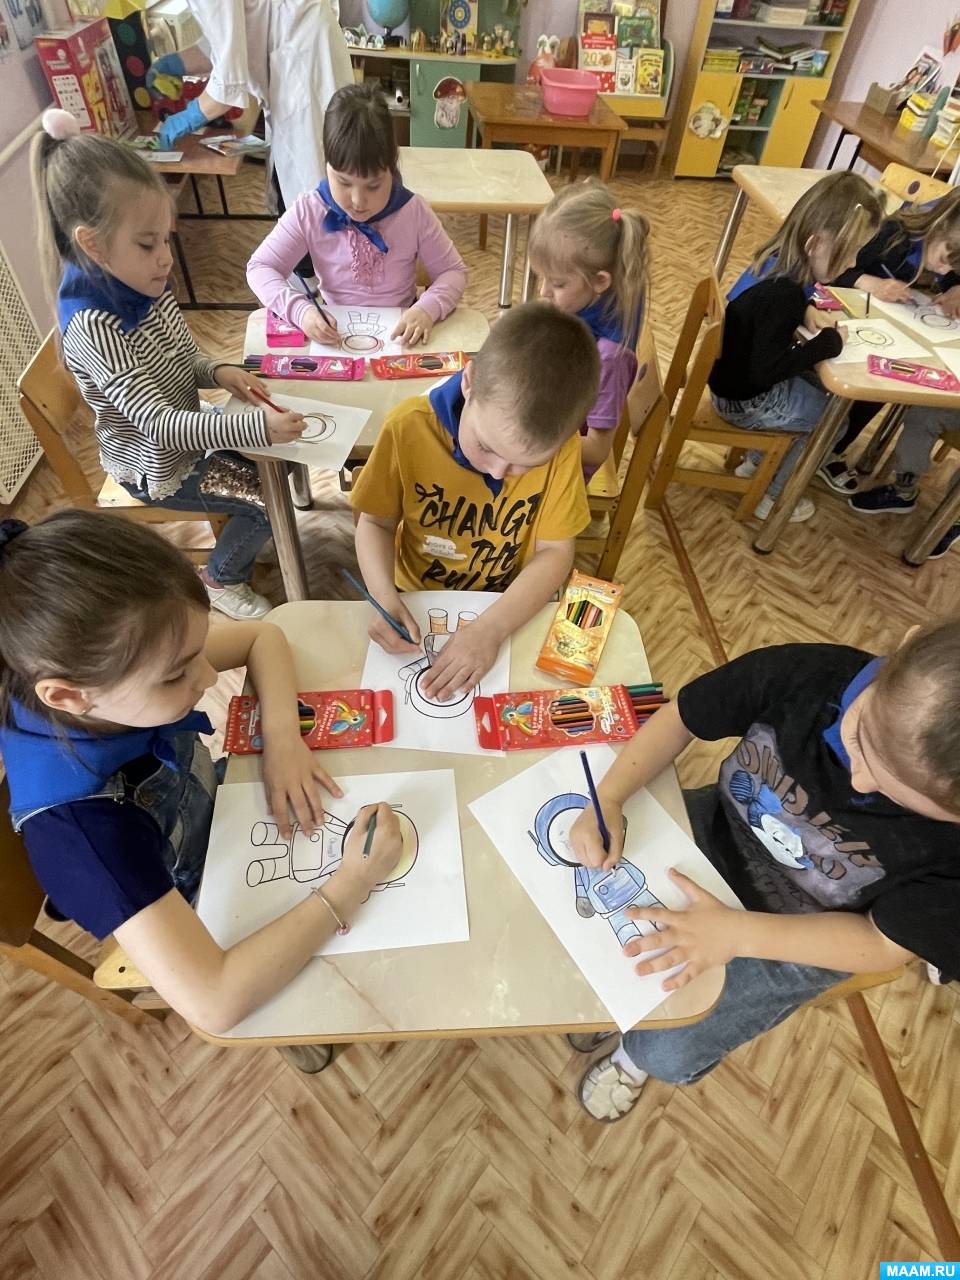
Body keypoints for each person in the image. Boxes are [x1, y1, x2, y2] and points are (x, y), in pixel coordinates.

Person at [0, 512, 402, 1036]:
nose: (209, 677)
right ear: (69, 696)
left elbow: (262, 637)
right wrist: (352, 884)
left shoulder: (116, 670)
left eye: (199, 650)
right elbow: (215, 1003)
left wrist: (283, 738)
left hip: (225, 813)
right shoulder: (85, 837)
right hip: (200, 911)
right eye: (177, 675)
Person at [565, 621, 960, 1122]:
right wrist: (610, 796)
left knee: (667, 1051)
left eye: (895, 794)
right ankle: (616, 1009)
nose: (858, 781)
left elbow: (883, 945)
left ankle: (631, 1059)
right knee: (601, 941)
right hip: (712, 832)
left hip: (807, 935)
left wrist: (737, 933)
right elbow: (683, 716)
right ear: (903, 646)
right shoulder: (809, 674)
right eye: (860, 739)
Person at [32, 108, 304, 621]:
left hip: (185, 434)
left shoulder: (141, 282)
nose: (165, 258)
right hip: (156, 464)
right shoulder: (94, 326)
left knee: (278, 463)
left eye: (165, 239)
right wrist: (255, 427)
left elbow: (183, 356)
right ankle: (222, 578)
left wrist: (218, 371)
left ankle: (247, 529)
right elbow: (159, 425)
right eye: (148, 243)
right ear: (92, 245)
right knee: (266, 498)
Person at [349, 302, 599, 702]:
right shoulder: (407, 427)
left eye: (525, 464)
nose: (498, 473)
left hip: (508, 605)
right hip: (416, 599)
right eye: (486, 447)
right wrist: (382, 596)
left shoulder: (563, 447)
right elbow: (375, 522)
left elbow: (555, 552)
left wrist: (491, 629)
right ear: (469, 382)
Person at [708, 172, 886, 523]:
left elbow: (760, 324)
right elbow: (767, 370)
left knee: (818, 390)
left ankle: (756, 465)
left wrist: (805, 311)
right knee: (833, 424)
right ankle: (773, 499)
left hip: (730, 383)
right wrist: (828, 345)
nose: (853, 263)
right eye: (850, 251)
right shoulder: (785, 294)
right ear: (815, 243)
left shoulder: (776, 264)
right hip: (743, 400)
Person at [246, 82, 467, 348]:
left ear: (391, 167)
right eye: (344, 182)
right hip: (335, 337)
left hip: (400, 338)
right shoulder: (310, 210)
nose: (358, 201)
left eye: (373, 186)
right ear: (326, 163)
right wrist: (300, 311)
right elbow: (260, 268)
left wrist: (426, 309)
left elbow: (453, 272)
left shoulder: (413, 211)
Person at [151, 0, 353, 208]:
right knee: (306, 176)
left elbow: (227, 82)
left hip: (304, 59)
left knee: (312, 177)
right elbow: (229, 37)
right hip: (298, 48)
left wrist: (186, 118)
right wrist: (176, 63)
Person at [528, 180, 649, 478]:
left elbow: (596, 449)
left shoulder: (609, 358)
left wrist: (526, 440)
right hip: (552, 413)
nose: (543, 291)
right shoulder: (597, 291)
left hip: (562, 470)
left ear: (600, 281)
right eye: (541, 278)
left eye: (557, 283)